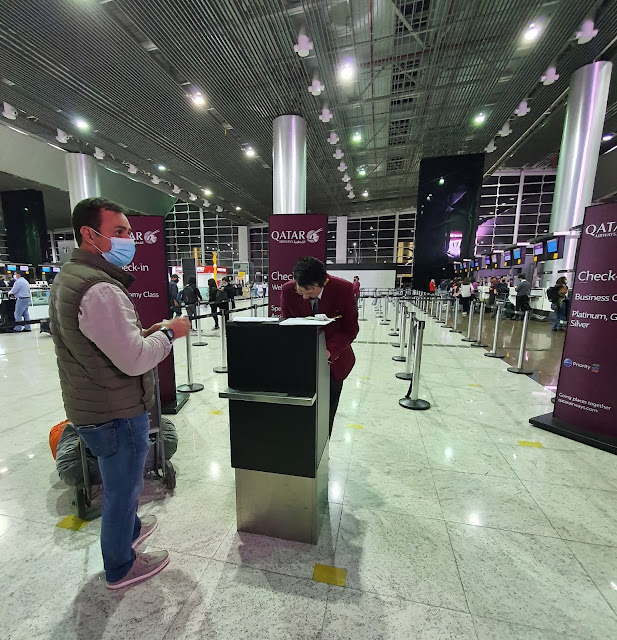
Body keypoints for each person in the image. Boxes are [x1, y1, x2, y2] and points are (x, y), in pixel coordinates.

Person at [48, 197, 191, 590]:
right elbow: (133, 360)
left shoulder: (71, 277)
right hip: (115, 409)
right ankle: (121, 565)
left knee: (119, 484)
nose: (130, 239)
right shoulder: (100, 289)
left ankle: (131, 532)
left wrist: (145, 334)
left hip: (94, 404)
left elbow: (100, 346)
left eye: (129, 231)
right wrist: (169, 333)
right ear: (89, 235)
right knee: (122, 490)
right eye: (120, 232)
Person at [281, 257, 359, 436]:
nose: (304, 297)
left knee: (327, 410)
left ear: (323, 282)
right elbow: (287, 324)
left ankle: (323, 449)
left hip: (334, 362)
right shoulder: (288, 290)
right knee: (301, 410)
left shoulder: (343, 289)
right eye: (300, 292)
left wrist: (329, 351)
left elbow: (351, 328)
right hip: (302, 363)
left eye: (309, 292)